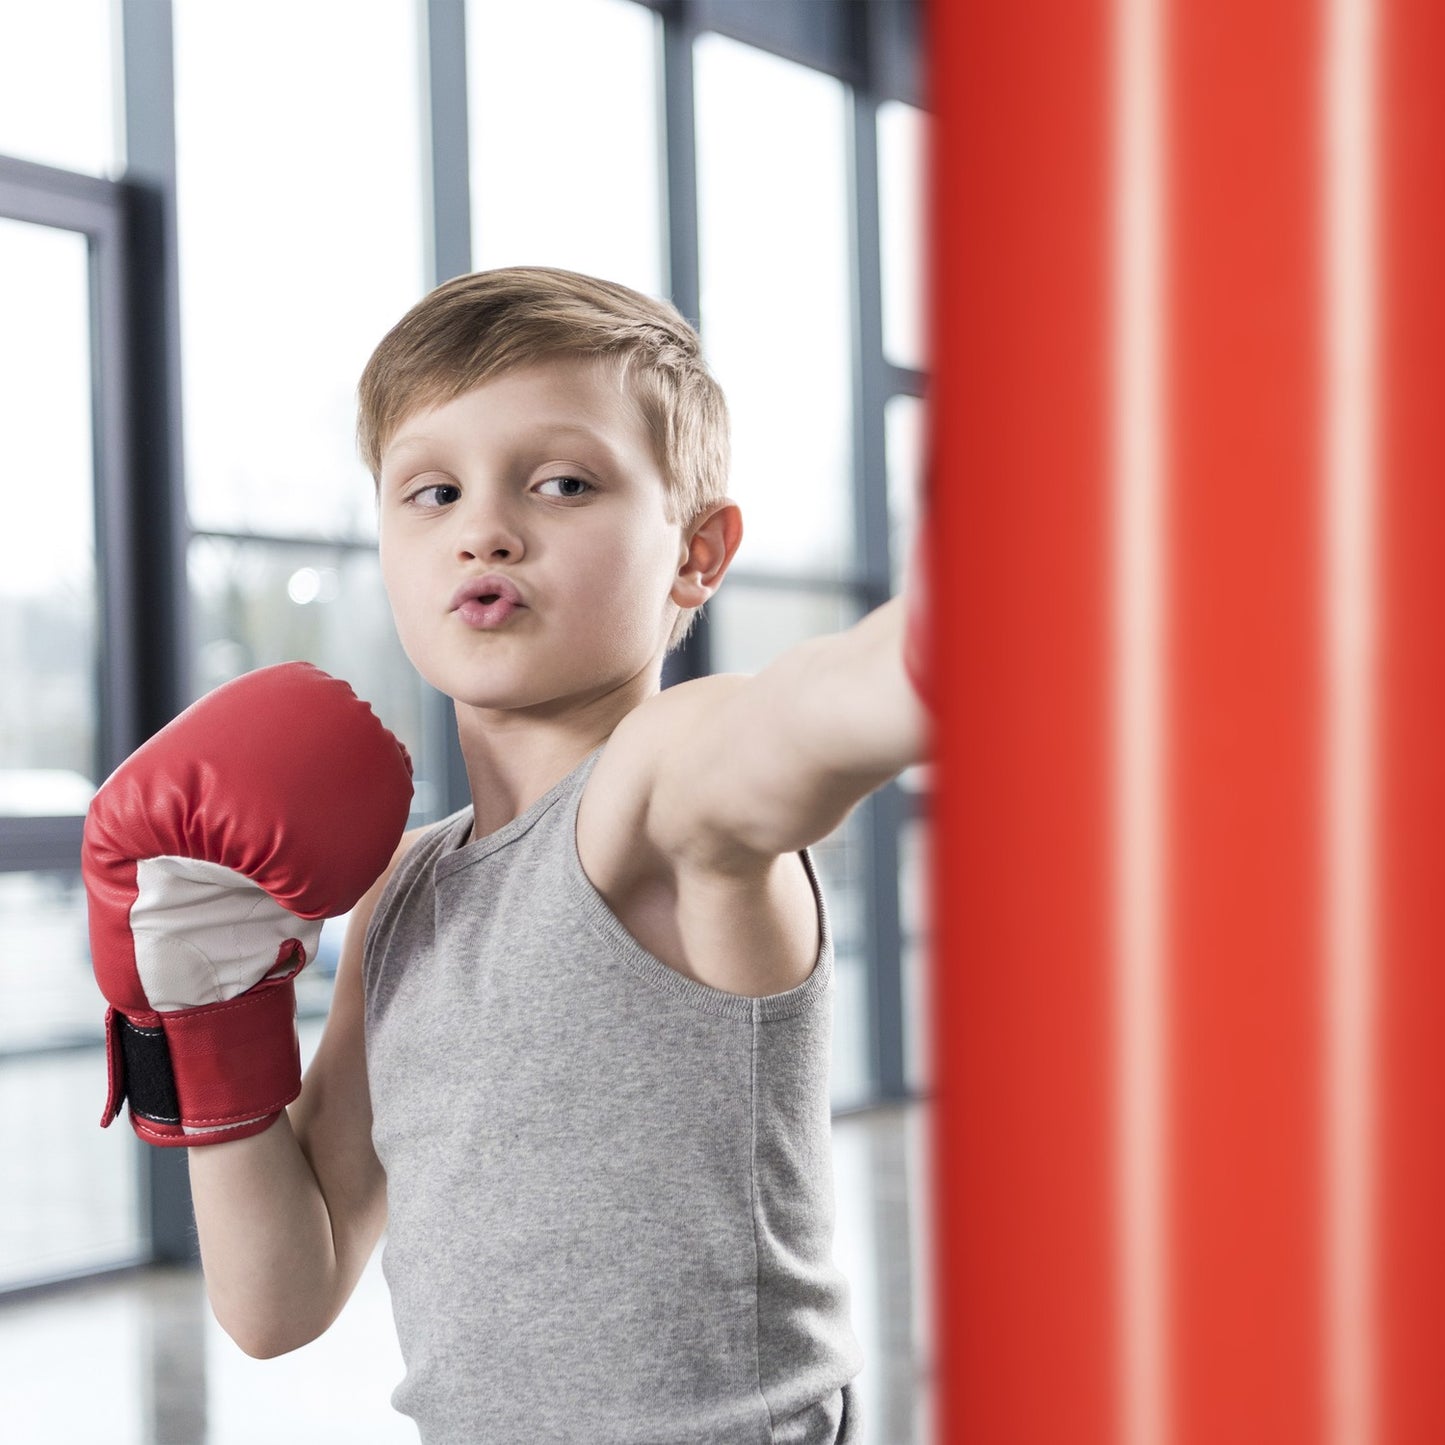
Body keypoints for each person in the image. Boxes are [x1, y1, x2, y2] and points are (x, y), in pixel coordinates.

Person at [85, 266, 929, 1443]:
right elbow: (278, 1300)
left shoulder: (661, 785)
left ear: (695, 552)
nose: (484, 525)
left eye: (563, 482)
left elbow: (799, 717)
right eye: (430, 491)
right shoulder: (404, 892)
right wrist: (207, 1016)